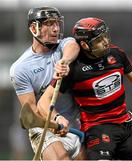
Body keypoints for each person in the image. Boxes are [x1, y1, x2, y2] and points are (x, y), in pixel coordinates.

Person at [37, 17, 132, 160]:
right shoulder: (72, 69)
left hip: (125, 126)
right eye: (99, 40)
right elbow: (43, 102)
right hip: (97, 130)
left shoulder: (116, 54)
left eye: (105, 36)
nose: (105, 42)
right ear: (84, 45)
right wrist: (57, 118)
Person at [10, 6, 85, 160]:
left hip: (76, 125)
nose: (56, 29)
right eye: (50, 24)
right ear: (34, 28)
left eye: (57, 23)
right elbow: (31, 110)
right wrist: (56, 119)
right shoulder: (20, 68)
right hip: (46, 128)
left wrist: (65, 61)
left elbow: (73, 45)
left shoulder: (63, 47)